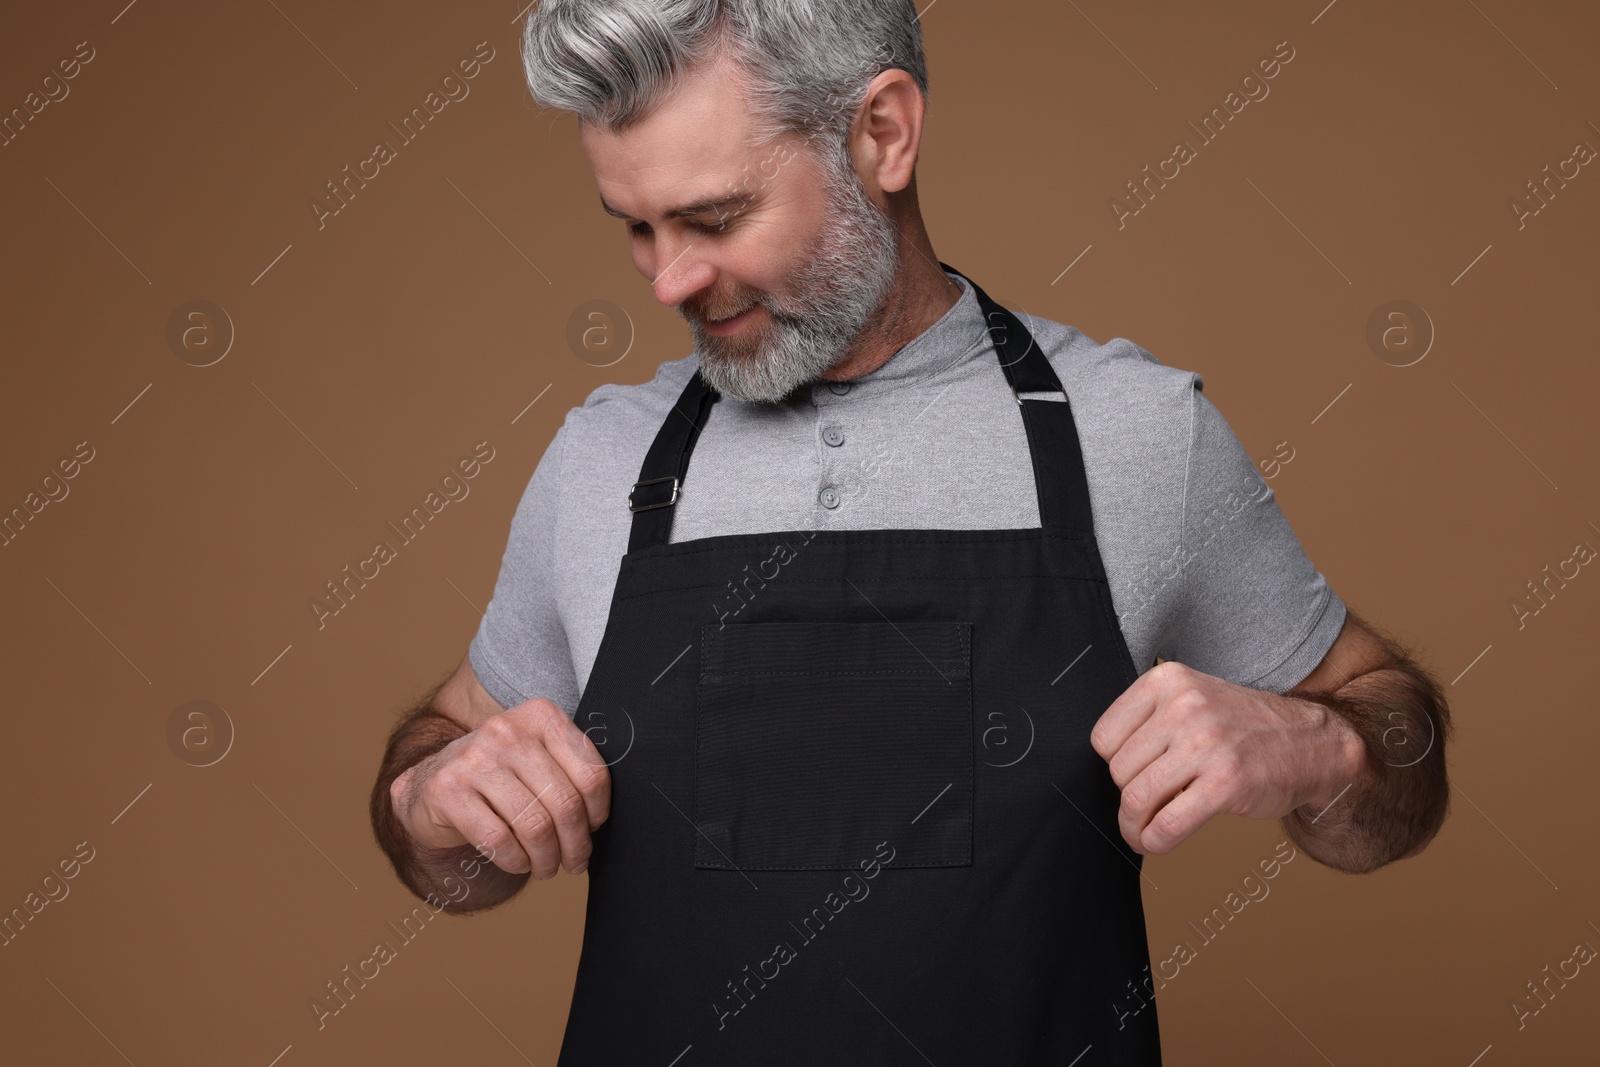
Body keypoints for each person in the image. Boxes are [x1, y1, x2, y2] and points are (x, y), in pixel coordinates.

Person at [369, 1, 1452, 1062]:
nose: (670, 281)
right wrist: (429, 798)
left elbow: (1397, 787)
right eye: (636, 229)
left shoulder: (1138, 437)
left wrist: (1327, 746)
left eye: (712, 218)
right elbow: (449, 828)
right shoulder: (602, 458)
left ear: (882, 132)